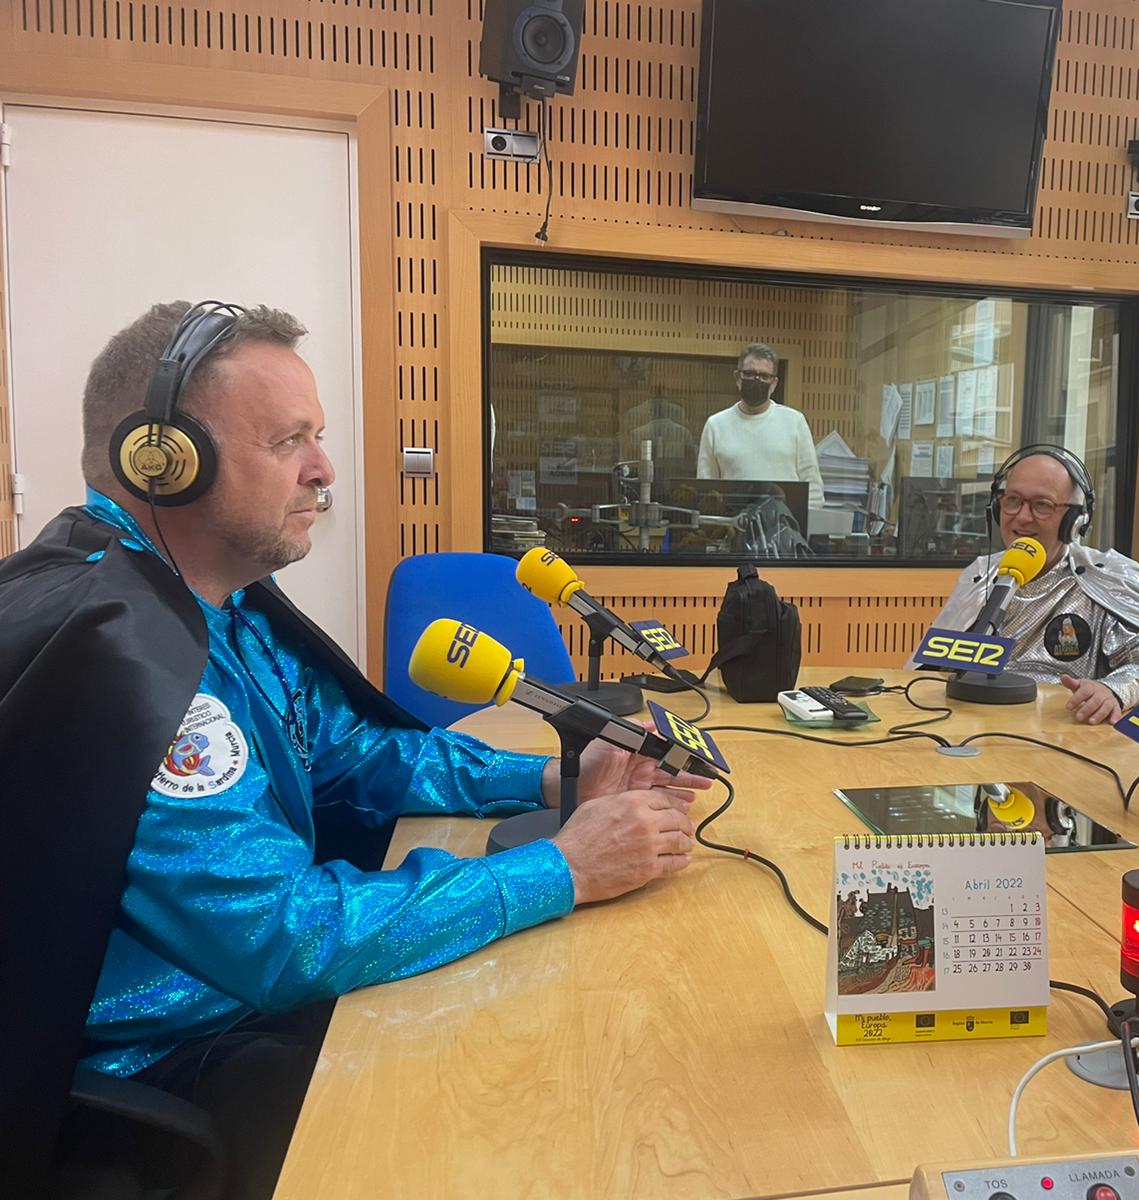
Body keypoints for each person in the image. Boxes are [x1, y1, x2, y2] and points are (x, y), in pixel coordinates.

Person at [0, 301, 708, 1196]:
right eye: (288, 440)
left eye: (317, 436)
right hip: (169, 1065)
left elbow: (359, 758)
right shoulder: (128, 662)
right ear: (166, 461)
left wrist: (553, 772)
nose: (324, 469)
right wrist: (565, 869)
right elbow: (284, 937)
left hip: (235, 1000)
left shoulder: (208, 611)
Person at [915, 444, 1139, 723]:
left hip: (1062, 739)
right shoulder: (981, 574)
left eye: (1042, 505)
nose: (1021, 516)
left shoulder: (1111, 578)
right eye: (1012, 500)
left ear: (1075, 520)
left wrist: (1114, 690)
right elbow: (929, 671)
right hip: (969, 727)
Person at [697, 342, 825, 506]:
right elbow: (706, 490)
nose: (757, 380)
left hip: (785, 526)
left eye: (765, 376)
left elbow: (813, 488)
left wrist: (797, 527)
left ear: (774, 384)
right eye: (750, 374)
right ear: (738, 378)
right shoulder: (715, 425)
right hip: (733, 526)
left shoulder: (795, 422)